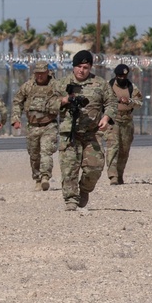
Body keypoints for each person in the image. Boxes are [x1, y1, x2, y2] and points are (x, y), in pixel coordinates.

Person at [57, 50, 118, 210]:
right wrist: (64, 100)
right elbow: (48, 104)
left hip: (92, 133)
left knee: (94, 168)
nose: (81, 70)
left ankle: (84, 190)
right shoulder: (62, 84)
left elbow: (111, 103)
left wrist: (106, 118)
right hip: (70, 132)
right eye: (78, 66)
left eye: (85, 67)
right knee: (69, 168)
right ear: (73, 67)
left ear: (90, 67)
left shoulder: (100, 84)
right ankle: (71, 200)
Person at [10, 62, 63, 191]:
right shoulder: (28, 86)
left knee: (46, 151)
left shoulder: (55, 86)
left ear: (47, 72)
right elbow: (17, 102)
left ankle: (45, 176)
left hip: (49, 125)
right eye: (37, 73)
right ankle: (37, 179)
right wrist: (16, 119)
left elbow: (65, 99)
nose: (40, 76)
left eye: (42, 73)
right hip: (32, 126)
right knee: (34, 155)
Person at [104, 64, 143, 185]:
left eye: (124, 76)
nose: (122, 78)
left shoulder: (132, 87)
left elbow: (139, 103)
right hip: (113, 119)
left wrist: (129, 101)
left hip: (127, 121)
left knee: (124, 150)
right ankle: (112, 175)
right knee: (113, 147)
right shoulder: (108, 86)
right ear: (116, 75)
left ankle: (120, 174)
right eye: (120, 76)